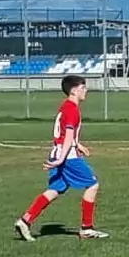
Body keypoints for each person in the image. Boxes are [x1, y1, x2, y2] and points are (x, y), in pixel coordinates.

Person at [13, 75, 108, 241]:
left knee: (55, 189)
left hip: (57, 151)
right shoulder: (72, 109)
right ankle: (87, 228)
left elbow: (65, 132)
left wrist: (77, 145)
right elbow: (68, 134)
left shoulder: (65, 106)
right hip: (67, 156)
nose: (86, 91)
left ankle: (25, 220)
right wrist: (62, 158)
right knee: (93, 185)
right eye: (83, 87)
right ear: (74, 90)